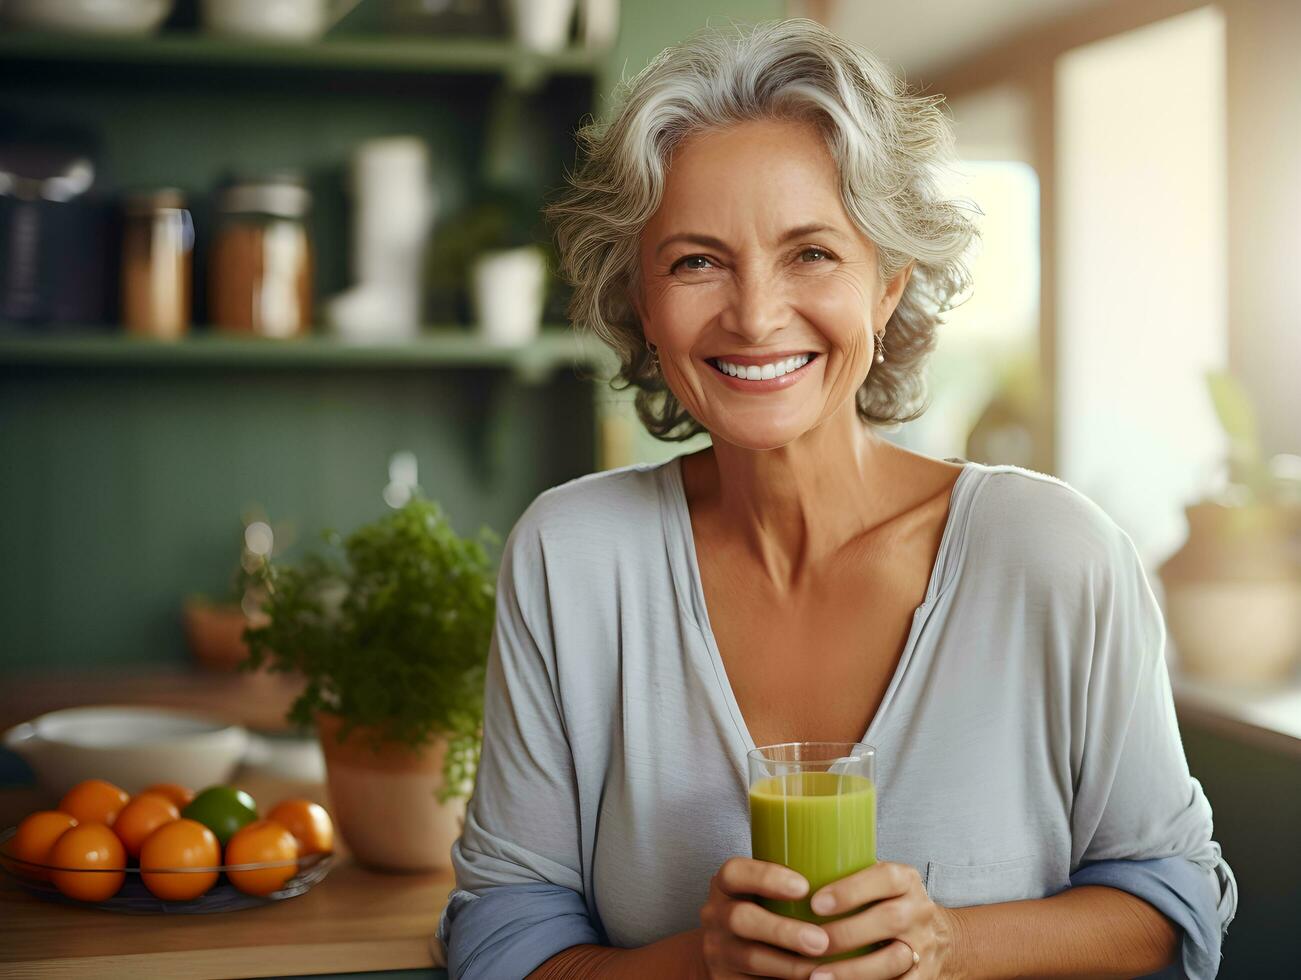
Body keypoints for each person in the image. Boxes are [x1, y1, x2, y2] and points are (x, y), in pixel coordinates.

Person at [437, 18, 1236, 980]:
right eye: (695, 260)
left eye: (811, 252)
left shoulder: (1054, 555)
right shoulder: (570, 560)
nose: (756, 313)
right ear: (641, 304)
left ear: (888, 285)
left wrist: (945, 942)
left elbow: (1170, 897)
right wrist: (704, 964)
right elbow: (500, 939)